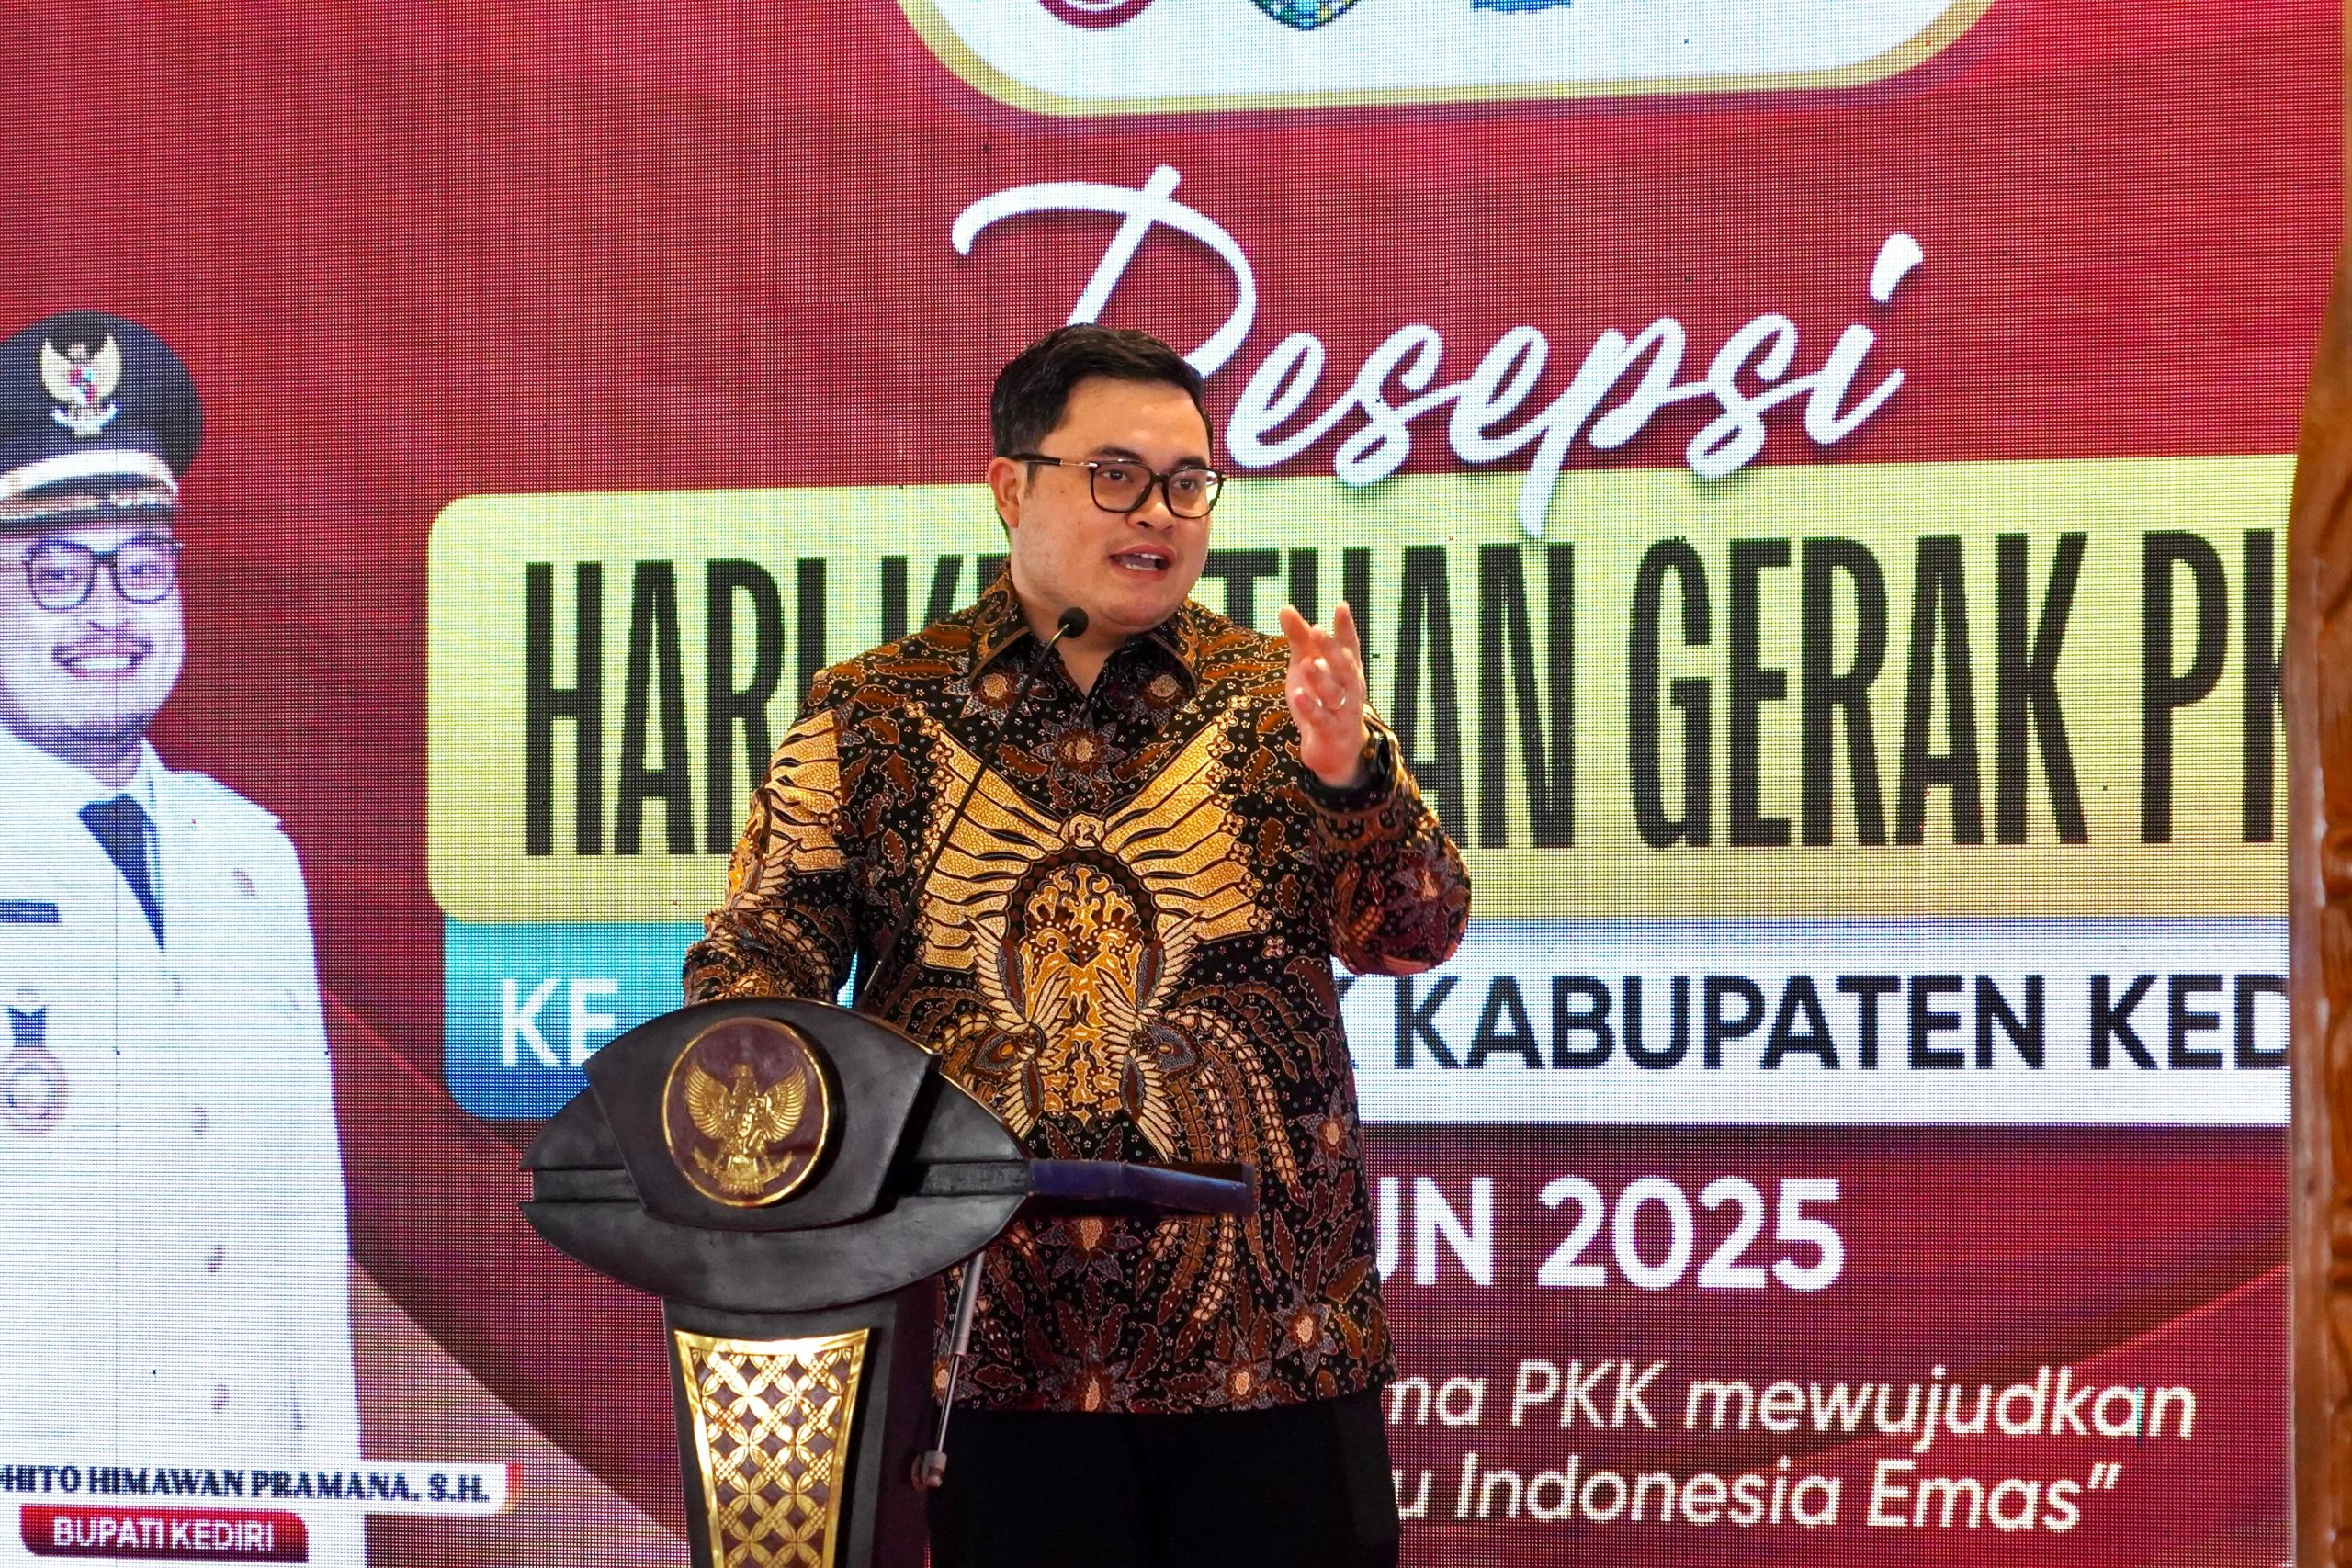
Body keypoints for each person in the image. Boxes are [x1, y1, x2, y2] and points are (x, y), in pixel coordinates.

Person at [686, 323, 1470, 1567]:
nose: (1157, 512)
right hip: (980, 1358)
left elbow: (1418, 932)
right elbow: (759, 959)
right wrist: (743, 1104)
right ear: (1012, 487)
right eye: (1116, 475)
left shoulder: (1280, 706)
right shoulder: (876, 715)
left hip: (1272, 1347)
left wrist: (1348, 776)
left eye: (1187, 482)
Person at [0, 312, 367, 1564]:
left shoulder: (249, 859)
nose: (108, 612)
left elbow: (307, 1262)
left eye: (142, 566)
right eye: (56, 572)